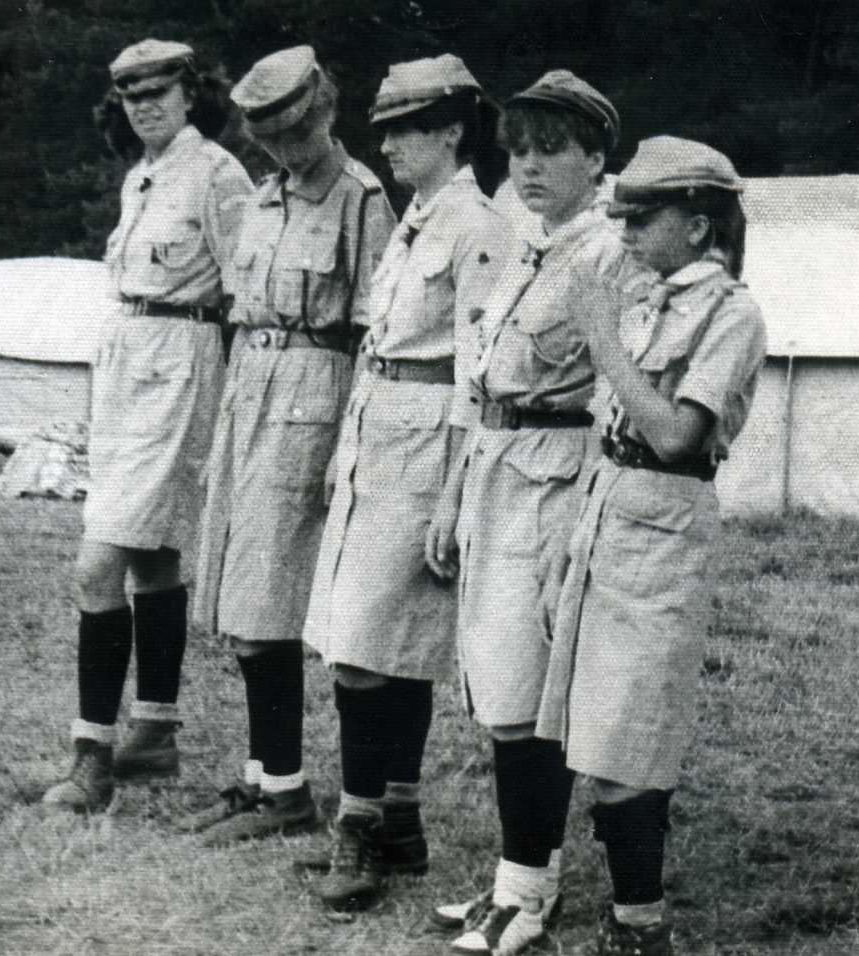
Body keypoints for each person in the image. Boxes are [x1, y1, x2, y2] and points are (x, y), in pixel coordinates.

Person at [427, 72, 651, 956]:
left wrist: (582, 528)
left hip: (557, 476)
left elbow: (614, 401)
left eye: (551, 150)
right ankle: (514, 882)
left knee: (525, 695)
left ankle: (528, 895)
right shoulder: (525, 246)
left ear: (596, 160)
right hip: (497, 468)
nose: (528, 167)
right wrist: (451, 492)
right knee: (497, 687)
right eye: (517, 149)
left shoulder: (609, 257)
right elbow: (480, 380)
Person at [536, 136, 766, 956]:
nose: (626, 232)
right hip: (607, 507)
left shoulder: (730, 313)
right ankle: (627, 912)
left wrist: (601, 339)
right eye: (622, 217)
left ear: (698, 226)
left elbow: (673, 434)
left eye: (643, 218)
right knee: (597, 726)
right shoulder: (646, 298)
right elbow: (612, 428)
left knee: (630, 734)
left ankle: (640, 925)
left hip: (664, 521)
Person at [297, 54, 512, 914]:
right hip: (376, 434)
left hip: (426, 446)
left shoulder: (478, 228)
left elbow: (476, 376)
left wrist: (456, 493)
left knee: (365, 647)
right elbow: (376, 344)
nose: (385, 145)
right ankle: (399, 820)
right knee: (384, 642)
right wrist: (339, 448)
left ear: (451, 131)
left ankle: (357, 827)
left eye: (403, 129)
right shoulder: (414, 222)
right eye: (381, 130)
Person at [184, 45, 398, 847]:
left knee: (267, 600)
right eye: (268, 139)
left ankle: (286, 792)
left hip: (314, 396)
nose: (283, 151)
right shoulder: (263, 197)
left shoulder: (360, 199)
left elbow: (377, 334)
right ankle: (262, 774)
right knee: (240, 592)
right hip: (250, 390)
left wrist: (349, 442)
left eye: (295, 133)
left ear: (325, 113)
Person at [42, 39, 252, 813]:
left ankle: (90, 755)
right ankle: (155, 732)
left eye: (159, 93)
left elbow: (247, 294)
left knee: (97, 567)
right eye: (132, 97)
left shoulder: (218, 176)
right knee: (154, 559)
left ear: (191, 94)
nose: (145, 108)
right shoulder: (141, 177)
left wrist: (234, 399)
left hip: (180, 367)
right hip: (127, 367)